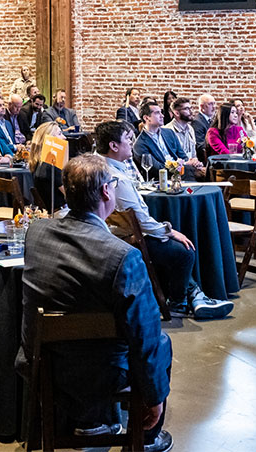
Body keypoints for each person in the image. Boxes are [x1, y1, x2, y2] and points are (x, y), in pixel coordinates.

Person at [20, 154, 173, 449]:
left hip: (43, 362)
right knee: (161, 344)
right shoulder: (122, 256)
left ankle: (89, 421)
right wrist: (155, 397)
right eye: (113, 184)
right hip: (100, 375)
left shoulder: (36, 233)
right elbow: (146, 336)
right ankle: (147, 438)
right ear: (106, 192)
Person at [98, 119, 233, 320]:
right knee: (185, 251)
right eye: (127, 138)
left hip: (122, 233)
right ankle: (179, 302)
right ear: (114, 145)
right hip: (133, 239)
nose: (131, 142)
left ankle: (196, 296)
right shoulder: (119, 178)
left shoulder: (102, 167)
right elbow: (142, 221)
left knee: (174, 241)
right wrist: (169, 231)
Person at [27, 121, 67, 212]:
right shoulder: (51, 166)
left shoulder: (37, 162)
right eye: (59, 134)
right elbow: (70, 197)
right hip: (60, 213)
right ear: (50, 139)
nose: (64, 137)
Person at [163, 97, 205, 176]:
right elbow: (169, 160)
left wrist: (196, 163)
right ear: (177, 113)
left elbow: (193, 154)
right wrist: (187, 163)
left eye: (190, 108)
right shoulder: (168, 131)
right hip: (176, 172)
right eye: (186, 109)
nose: (190, 111)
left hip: (191, 168)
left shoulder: (190, 129)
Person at [193, 94, 216, 159]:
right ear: (202, 106)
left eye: (214, 104)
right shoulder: (197, 122)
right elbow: (200, 145)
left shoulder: (211, 120)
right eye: (210, 104)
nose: (214, 107)